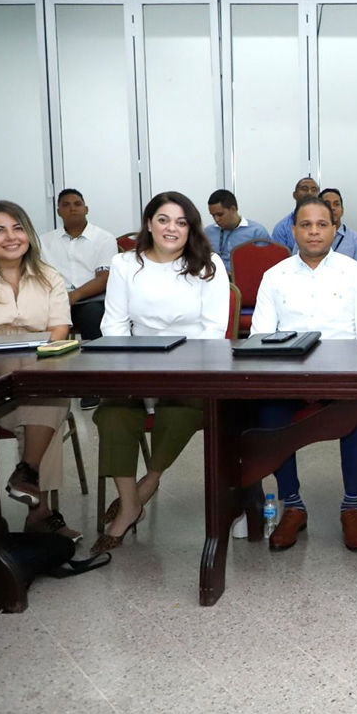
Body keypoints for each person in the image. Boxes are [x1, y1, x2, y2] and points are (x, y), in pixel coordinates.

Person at [92, 191, 230, 556]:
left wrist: (178, 366)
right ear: (149, 224)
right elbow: (114, 325)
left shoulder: (209, 265)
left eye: (181, 222)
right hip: (135, 364)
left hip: (191, 367)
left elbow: (214, 330)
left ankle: (149, 482)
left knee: (179, 410)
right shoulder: (125, 263)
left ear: (191, 228)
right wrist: (130, 367)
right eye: (164, 220)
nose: (172, 228)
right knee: (112, 414)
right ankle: (129, 503)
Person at [253, 195, 357, 552]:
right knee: (268, 412)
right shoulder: (274, 276)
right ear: (293, 230)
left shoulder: (355, 273)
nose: (313, 231)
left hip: (343, 377)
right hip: (289, 378)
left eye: (322, 224)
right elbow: (260, 337)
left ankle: (351, 506)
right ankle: (293, 505)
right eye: (305, 225)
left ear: (334, 229)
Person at [0, 200, 78, 541]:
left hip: (33, 379)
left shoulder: (48, 277)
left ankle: (27, 475)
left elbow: (60, 330)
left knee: (50, 397)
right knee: (49, 411)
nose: (11, 237)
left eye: (17, 228)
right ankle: (40, 512)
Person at [39, 188, 116, 409]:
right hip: (55, 299)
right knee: (35, 318)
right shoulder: (44, 242)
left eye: (77, 204)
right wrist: (59, 299)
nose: (72, 208)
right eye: (65, 205)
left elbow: (104, 278)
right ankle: (46, 384)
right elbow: (39, 277)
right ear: (58, 211)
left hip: (90, 298)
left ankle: (93, 385)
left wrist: (73, 296)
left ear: (86, 209)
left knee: (93, 315)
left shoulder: (104, 238)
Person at [204, 189, 270, 272]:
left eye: (220, 214)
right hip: (216, 277)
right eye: (213, 215)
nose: (216, 219)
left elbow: (266, 263)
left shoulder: (257, 232)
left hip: (246, 277)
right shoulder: (207, 233)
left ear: (233, 209)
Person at [318, 188, 357, 268]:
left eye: (336, 204)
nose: (332, 208)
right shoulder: (308, 238)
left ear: (342, 210)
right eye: (327, 204)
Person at [270, 176, 320, 250]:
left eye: (314, 190)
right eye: (304, 189)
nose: (309, 193)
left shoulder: (325, 224)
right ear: (294, 195)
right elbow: (278, 256)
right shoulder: (282, 228)